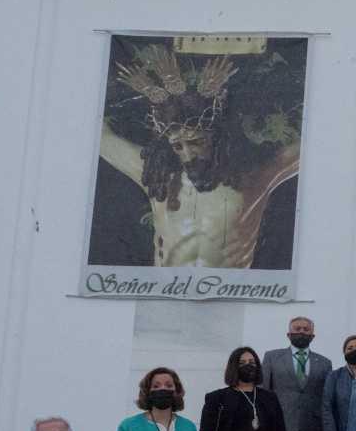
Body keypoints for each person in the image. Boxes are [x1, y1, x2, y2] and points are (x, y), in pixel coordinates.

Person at [101, 45, 299, 269]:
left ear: (216, 139)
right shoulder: (157, 177)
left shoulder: (253, 178)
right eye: (177, 146)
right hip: (165, 290)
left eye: (196, 142)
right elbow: (100, 136)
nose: (187, 155)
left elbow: (313, 145)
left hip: (232, 292)